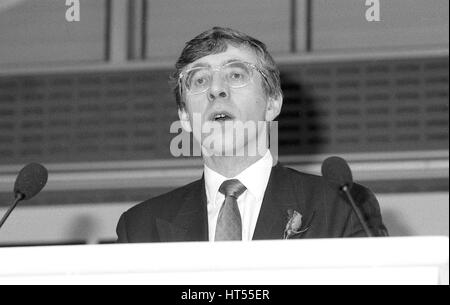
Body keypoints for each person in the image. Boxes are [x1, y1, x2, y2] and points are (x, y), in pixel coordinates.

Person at [116, 27, 388, 243]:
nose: (216, 90)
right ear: (185, 116)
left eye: (235, 75)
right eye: (199, 80)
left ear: (272, 103)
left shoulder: (342, 208)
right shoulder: (140, 228)